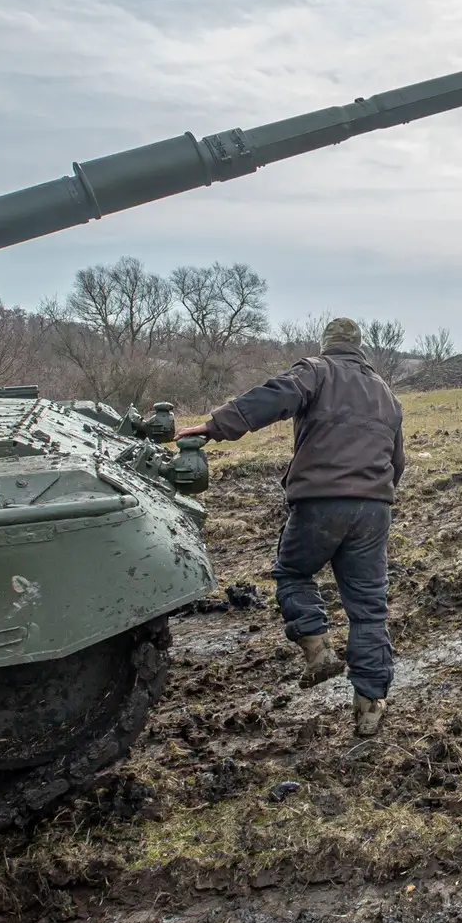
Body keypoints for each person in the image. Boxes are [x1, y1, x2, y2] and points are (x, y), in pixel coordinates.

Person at [175, 317, 401, 739]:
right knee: (369, 606)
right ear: (360, 346)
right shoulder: (387, 394)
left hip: (320, 501)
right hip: (374, 508)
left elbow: (276, 395)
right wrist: (376, 498)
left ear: (328, 344)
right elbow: (397, 461)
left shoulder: (317, 370)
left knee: (293, 573)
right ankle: (370, 706)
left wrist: (217, 425)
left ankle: (317, 652)